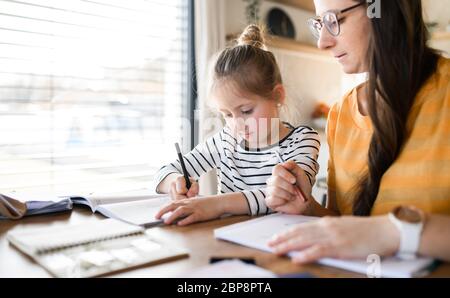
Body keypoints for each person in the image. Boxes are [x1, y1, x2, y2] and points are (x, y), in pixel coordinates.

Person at [265, 0, 450, 263]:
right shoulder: (340, 115)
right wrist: (308, 207)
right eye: (320, 24)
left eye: (334, 20)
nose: (323, 42)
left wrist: (394, 232)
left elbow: (372, 233)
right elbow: (348, 226)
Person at [153, 25, 321, 226]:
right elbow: (164, 172)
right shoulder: (227, 139)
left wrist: (217, 205)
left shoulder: (302, 140)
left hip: (278, 245)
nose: (238, 124)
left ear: (277, 95)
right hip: (228, 240)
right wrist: (175, 182)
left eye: (246, 111)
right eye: (227, 115)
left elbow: (289, 196)